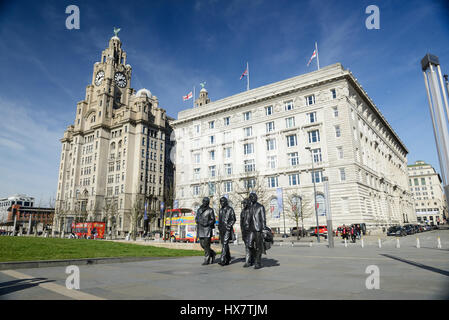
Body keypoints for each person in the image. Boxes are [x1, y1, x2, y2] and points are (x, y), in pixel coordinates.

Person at [248, 193, 267, 269]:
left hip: (258, 229)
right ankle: (256, 258)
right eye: (250, 198)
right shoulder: (250, 207)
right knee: (249, 245)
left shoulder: (260, 207)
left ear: (256, 198)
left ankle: (258, 262)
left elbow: (263, 219)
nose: (251, 199)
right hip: (251, 229)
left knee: (258, 247)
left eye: (253, 197)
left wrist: (264, 229)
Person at [195, 197, 216, 265]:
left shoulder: (210, 210)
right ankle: (212, 253)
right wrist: (197, 221)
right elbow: (196, 218)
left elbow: (213, 220)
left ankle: (207, 259)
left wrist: (208, 223)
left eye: (206, 201)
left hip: (207, 230)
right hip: (200, 229)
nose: (205, 202)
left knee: (207, 245)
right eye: (204, 201)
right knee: (202, 245)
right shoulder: (199, 210)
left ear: (208, 202)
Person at [218, 197, 236, 266]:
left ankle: (222, 259)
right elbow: (220, 220)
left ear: (226, 202)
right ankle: (228, 258)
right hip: (222, 229)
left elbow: (233, 219)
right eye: (220, 202)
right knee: (224, 244)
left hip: (227, 229)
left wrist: (229, 225)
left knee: (225, 243)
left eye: (222, 202)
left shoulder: (230, 209)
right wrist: (219, 227)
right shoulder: (220, 210)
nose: (221, 203)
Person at [240, 198, 254, 267]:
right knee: (247, 246)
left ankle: (248, 261)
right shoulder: (242, 212)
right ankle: (251, 259)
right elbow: (241, 223)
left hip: (251, 231)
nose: (243, 205)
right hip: (245, 231)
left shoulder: (252, 210)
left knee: (249, 246)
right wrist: (242, 231)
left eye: (245, 203)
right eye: (243, 203)